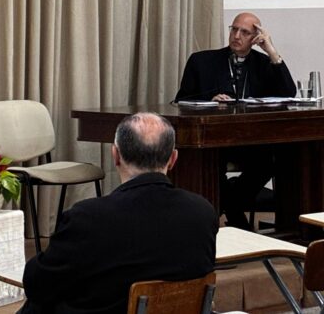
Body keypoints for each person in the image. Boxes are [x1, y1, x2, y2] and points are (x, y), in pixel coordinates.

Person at [20, 112, 217, 314]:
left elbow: (37, 284)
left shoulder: (88, 218)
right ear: (173, 159)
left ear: (115, 155)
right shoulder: (202, 212)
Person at [175, 12, 296, 230]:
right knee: (210, 161)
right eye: (234, 29)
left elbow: (289, 92)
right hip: (213, 141)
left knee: (272, 158)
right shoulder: (202, 61)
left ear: (256, 37)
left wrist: (271, 51)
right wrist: (210, 100)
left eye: (245, 32)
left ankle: (231, 205)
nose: (236, 36)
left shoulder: (263, 63)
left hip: (250, 140)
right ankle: (233, 214)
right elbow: (181, 100)